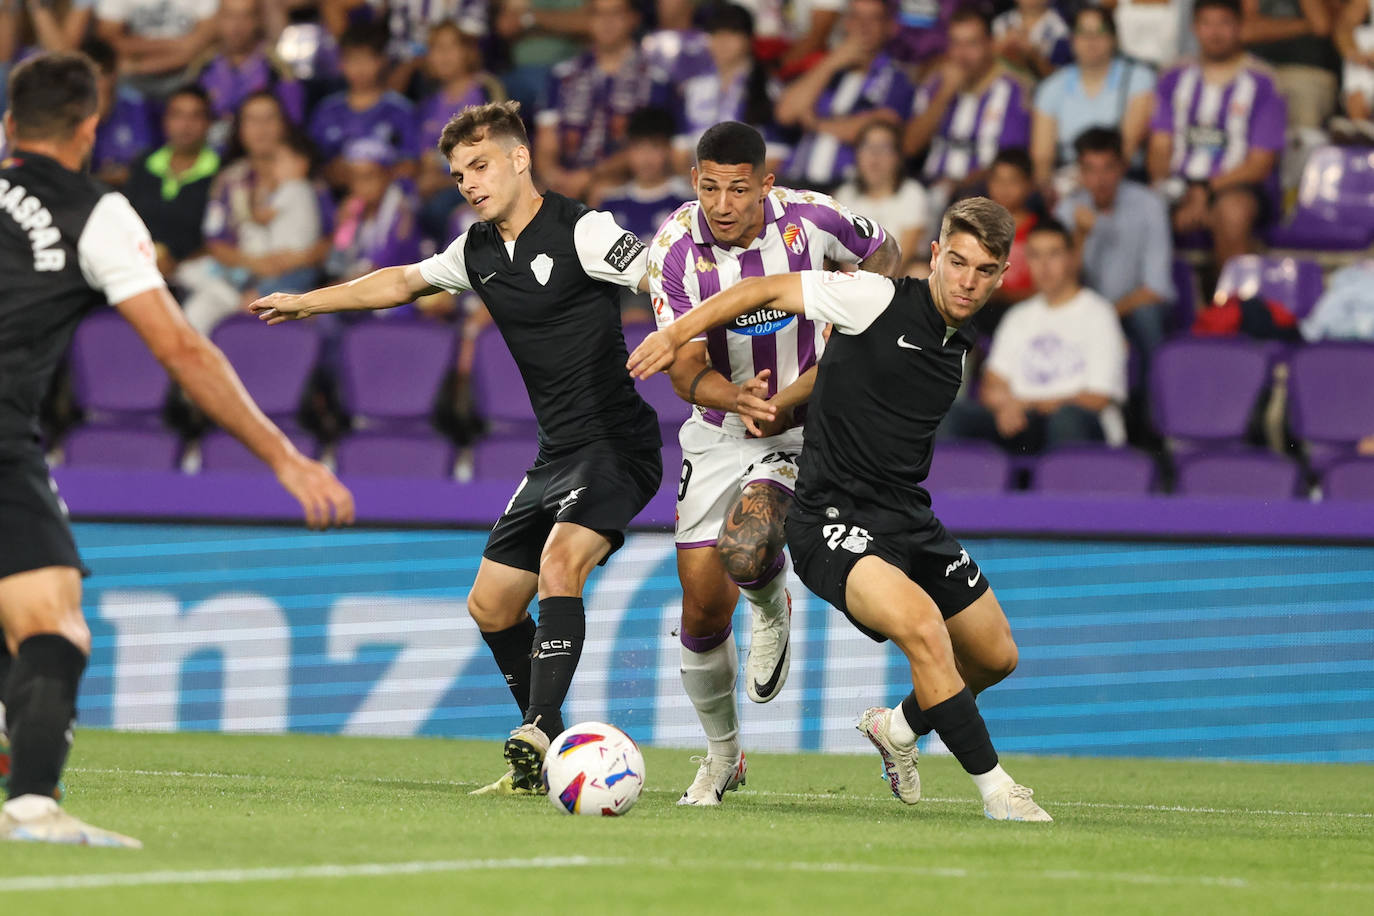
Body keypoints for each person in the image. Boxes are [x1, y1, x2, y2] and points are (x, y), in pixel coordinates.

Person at [250, 100, 662, 797]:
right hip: (557, 453)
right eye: (457, 173)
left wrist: (686, 338)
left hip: (617, 444)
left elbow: (667, 278)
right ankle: (554, 756)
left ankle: (539, 728)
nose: (469, 183)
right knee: (492, 606)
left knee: (562, 560)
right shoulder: (474, 251)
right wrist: (307, 302)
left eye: (480, 165)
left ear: (520, 159)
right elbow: (400, 282)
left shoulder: (585, 232)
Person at [0, 51, 352, 847]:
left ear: (8, 127)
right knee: (53, 627)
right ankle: (29, 809)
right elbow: (183, 350)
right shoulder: (96, 211)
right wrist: (283, 456)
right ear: (91, 129)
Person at [628, 196, 1052, 822]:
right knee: (925, 632)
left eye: (984, 270)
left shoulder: (963, 339)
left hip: (908, 516)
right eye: (957, 262)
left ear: (1001, 274)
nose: (967, 281)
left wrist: (788, 400)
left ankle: (899, 729)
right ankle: (997, 790)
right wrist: (674, 332)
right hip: (832, 520)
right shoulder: (873, 299)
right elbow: (761, 290)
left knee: (995, 655)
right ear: (935, 255)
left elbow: (836, 373)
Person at [647, 120, 901, 805]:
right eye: (708, 187)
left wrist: (853, 346)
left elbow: (886, 254)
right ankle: (723, 755)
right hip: (717, 427)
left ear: (766, 182)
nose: (722, 204)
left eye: (737, 188)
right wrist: (734, 396)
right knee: (700, 612)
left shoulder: (813, 221)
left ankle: (768, 603)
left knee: (749, 544)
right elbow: (684, 368)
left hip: (797, 427)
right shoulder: (672, 250)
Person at [940, 218, 1128, 453]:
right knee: (954, 415)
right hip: (1021, 422)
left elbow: (1098, 397)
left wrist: (1028, 404)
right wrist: (1007, 407)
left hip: (1079, 424)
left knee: (1066, 420)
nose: (1044, 265)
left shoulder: (1099, 314)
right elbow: (991, 385)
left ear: (1071, 258)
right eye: (1035, 255)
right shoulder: (1019, 316)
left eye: (1054, 254)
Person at [1148, 0, 1287, 269]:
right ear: (1194, 28)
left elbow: (1259, 164)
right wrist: (1174, 192)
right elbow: (1159, 149)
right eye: (1207, 24)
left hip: (1239, 187)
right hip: (1179, 186)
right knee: (1136, 207)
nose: (1215, 33)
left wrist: (1205, 191)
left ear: (1239, 27)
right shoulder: (1172, 77)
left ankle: (1233, 307)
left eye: (1224, 23)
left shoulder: (1264, 81)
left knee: (1232, 212)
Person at [186, 95, 325, 335]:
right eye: (252, 120)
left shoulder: (307, 179)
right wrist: (256, 264)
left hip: (295, 279)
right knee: (195, 312)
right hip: (237, 278)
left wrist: (300, 259)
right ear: (240, 129)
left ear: (284, 125)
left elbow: (334, 236)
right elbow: (216, 243)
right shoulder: (229, 180)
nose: (261, 128)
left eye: (269, 118)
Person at [1055, 127, 1176, 360]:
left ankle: (1155, 395)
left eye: (1108, 168)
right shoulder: (1067, 209)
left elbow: (1156, 289)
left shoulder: (1149, 205)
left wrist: (1104, 316)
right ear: (1079, 171)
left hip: (1132, 310)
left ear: (1122, 167)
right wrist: (1080, 236)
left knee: (1146, 315)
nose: (1099, 180)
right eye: (1090, 169)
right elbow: (1060, 284)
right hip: (1081, 313)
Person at [533, 0, 669, 202]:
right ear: (588, 20)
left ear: (633, 19)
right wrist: (555, 176)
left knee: (604, 192)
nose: (607, 22)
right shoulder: (562, 76)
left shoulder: (653, 80)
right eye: (598, 14)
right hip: (564, 179)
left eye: (616, 14)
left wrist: (589, 176)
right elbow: (546, 145)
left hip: (619, 181)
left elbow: (650, 147)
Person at [775, 0, 915, 190]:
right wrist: (831, 63)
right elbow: (786, 112)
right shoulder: (828, 69)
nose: (863, 26)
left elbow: (879, 127)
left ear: (889, 26)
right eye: (856, 17)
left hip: (849, 186)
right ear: (846, 22)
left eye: (873, 19)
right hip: (797, 180)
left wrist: (815, 123)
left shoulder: (897, 78)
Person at [906, 5, 1031, 214]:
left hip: (980, 192)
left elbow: (1010, 163)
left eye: (972, 44)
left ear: (991, 44)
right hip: (929, 186)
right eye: (956, 43)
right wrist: (945, 93)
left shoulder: (1012, 90)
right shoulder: (935, 84)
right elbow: (910, 146)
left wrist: (959, 184)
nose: (962, 54)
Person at [1030, 4, 1157, 196]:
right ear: (1072, 39)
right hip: (1067, 180)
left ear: (1114, 38)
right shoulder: (1052, 86)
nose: (1091, 40)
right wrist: (1048, 192)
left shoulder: (1139, 78)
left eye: (1100, 32)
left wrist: (1092, 180)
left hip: (1122, 177)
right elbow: (1042, 157)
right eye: (1083, 32)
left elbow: (1128, 147)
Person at [672, 2, 788, 176]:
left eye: (732, 33)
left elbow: (776, 155)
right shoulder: (692, 88)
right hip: (698, 187)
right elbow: (679, 150)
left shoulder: (770, 89)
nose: (722, 41)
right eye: (716, 34)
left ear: (749, 39)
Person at [123, 84, 221, 279]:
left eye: (195, 116)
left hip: (195, 274)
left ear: (209, 123)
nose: (186, 125)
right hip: (137, 267)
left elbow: (220, 238)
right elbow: (126, 222)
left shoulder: (222, 172)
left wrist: (176, 262)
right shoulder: (144, 164)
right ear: (165, 120)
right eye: (177, 115)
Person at [308, 20, 419, 188]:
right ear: (341, 64)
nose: (359, 68)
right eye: (352, 60)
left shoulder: (401, 111)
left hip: (389, 201)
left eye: (366, 59)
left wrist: (372, 177)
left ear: (382, 61)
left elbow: (411, 165)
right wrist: (335, 171)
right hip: (337, 199)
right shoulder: (326, 111)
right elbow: (312, 165)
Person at [195, 0, 307, 146]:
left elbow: (293, 126)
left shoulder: (277, 69)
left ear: (258, 21)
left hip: (262, 155)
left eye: (246, 16)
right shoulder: (203, 66)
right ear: (218, 20)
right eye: (230, 16)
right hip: (211, 154)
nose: (237, 25)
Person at [833, 120, 930, 276]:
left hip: (898, 279)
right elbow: (842, 253)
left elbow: (904, 255)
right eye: (867, 146)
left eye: (884, 148)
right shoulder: (845, 195)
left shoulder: (912, 193)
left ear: (897, 157)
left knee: (920, 273)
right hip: (852, 280)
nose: (874, 155)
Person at [324, 139, 423, 286]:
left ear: (387, 176)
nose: (360, 185)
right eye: (354, 178)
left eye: (368, 177)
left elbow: (382, 268)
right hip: (356, 287)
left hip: (396, 291)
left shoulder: (402, 213)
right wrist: (342, 226)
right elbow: (336, 263)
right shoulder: (353, 212)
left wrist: (331, 292)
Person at [1240, 0, 1340, 131]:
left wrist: (1266, 27)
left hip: (1305, 70)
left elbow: (1321, 25)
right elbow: (1245, 32)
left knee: (1303, 133)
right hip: (1257, 69)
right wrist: (1304, 25)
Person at [94, 0, 218, 99]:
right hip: (130, 79)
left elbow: (203, 41)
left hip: (186, 76)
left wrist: (136, 65)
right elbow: (109, 41)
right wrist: (179, 45)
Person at [84, 35, 156, 188]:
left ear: (113, 75)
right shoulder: (69, 110)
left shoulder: (135, 105)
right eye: (87, 76)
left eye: (100, 76)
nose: (93, 84)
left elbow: (139, 168)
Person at [993, 0, 1071, 79]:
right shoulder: (1001, 22)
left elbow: (1059, 77)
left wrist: (1033, 54)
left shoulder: (1060, 29)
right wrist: (1002, 45)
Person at [1335, 0, 1374, 134]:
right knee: (1362, 38)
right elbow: (1343, 28)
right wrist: (1353, 54)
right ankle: (1359, 134)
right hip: (1368, 68)